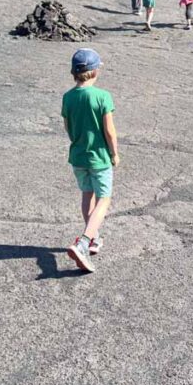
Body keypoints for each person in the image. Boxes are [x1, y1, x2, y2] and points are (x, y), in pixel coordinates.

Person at [62, 48, 119, 274]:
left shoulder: (67, 97)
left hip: (78, 156)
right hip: (99, 157)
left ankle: (94, 238)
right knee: (104, 198)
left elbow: (68, 126)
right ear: (94, 72)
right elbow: (109, 130)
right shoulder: (102, 96)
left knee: (87, 195)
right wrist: (114, 153)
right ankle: (84, 242)